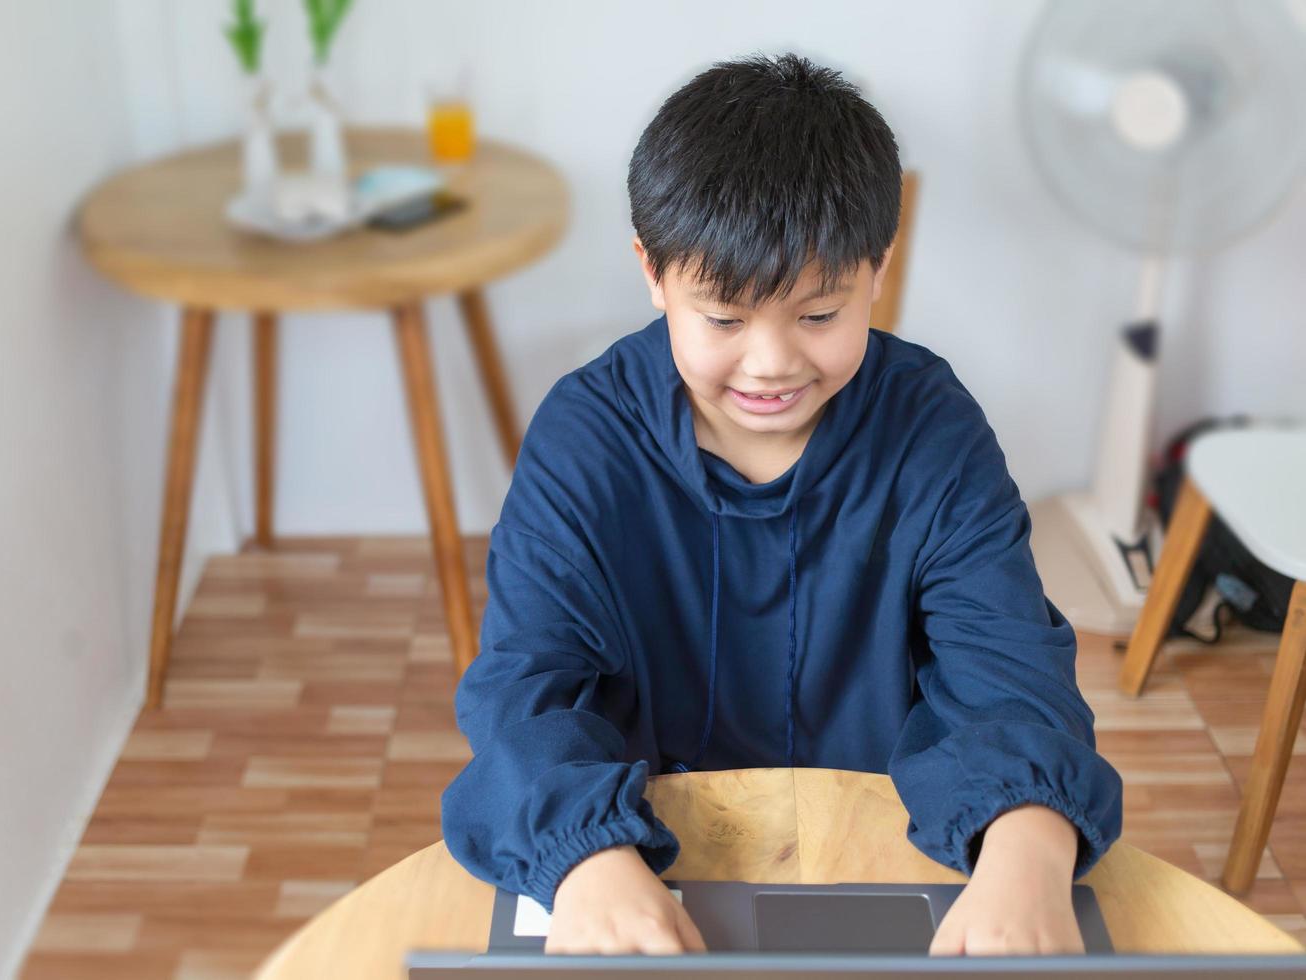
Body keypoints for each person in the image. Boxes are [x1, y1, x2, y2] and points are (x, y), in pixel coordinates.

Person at [440, 52, 1123, 958]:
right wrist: (585, 864)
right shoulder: (585, 436)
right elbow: (526, 687)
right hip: (641, 856)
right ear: (651, 271)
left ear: (879, 266)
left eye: (818, 315)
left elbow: (1008, 664)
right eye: (723, 320)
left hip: (886, 852)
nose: (770, 364)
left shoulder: (931, 428)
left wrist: (1028, 856)